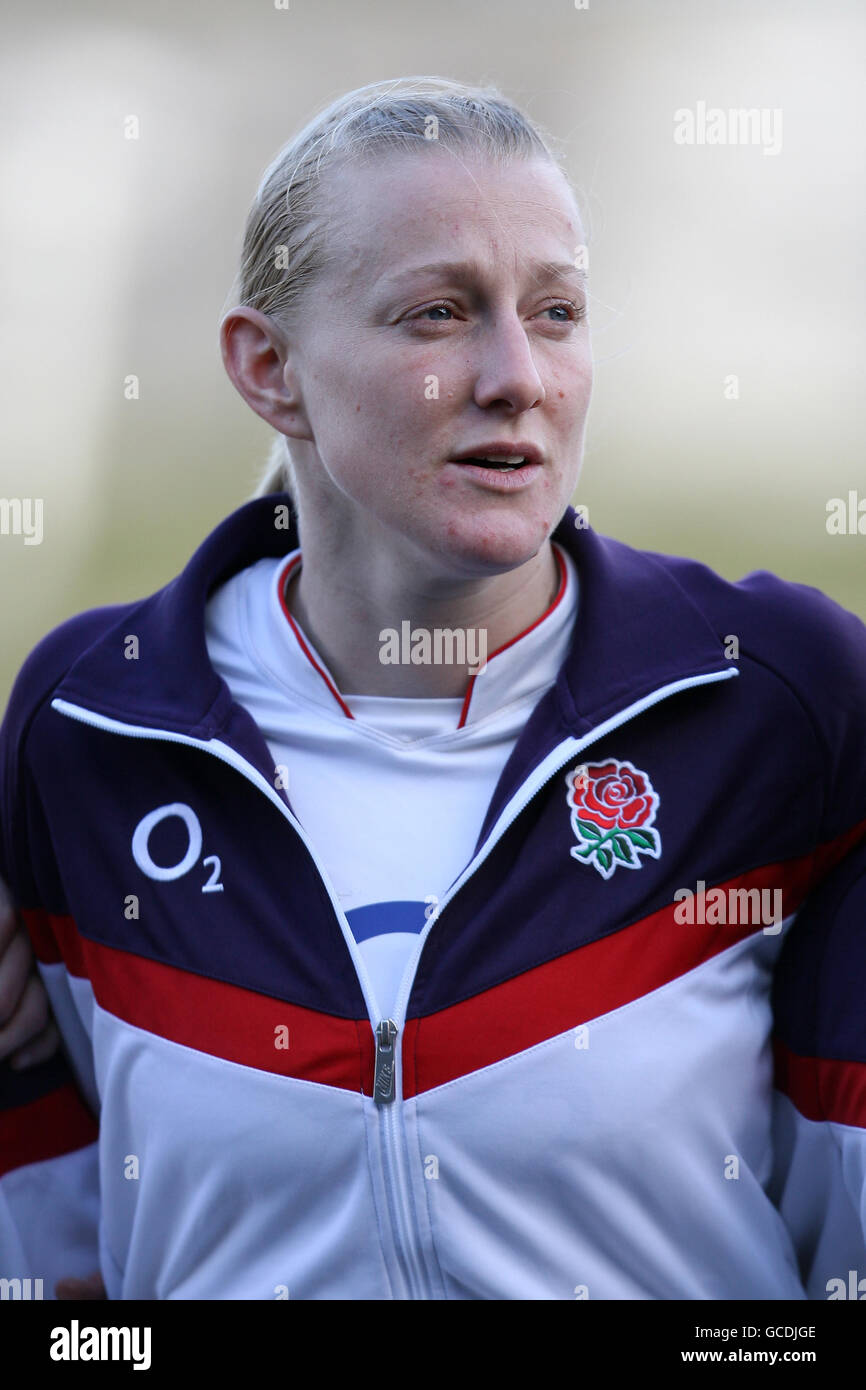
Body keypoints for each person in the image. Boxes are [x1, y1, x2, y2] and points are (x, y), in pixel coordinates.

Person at [1, 75, 865, 1301]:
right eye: (438, 314)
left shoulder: (778, 698)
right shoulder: (89, 725)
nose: (516, 375)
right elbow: (50, 1277)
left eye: (556, 311)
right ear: (269, 368)